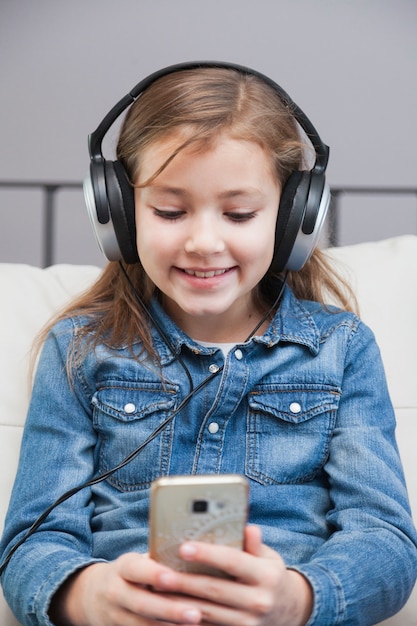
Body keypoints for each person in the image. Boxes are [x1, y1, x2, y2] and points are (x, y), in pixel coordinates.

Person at [1, 61, 416, 626]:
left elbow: (386, 541)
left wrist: (297, 599)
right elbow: (31, 541)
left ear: (294, 217)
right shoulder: (80, 349)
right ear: (117, 214)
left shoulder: (342, 349)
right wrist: (89, 595)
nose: (202, 241)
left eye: (239, 213)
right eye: (169, 211)